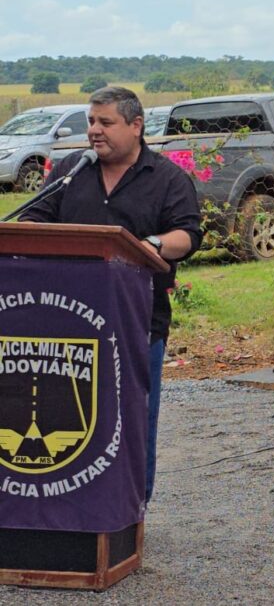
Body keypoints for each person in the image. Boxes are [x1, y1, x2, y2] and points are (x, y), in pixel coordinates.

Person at [19, 86, 202, 503]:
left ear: (136, 126)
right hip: (64, 323)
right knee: (64, 412)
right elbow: (34, 220)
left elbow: (187, 235)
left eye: (106, 123)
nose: (94, 131)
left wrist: (149, 245)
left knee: (132, 418)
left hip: (135, 322)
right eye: (90, 122)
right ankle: (68, 501)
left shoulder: (167, 178)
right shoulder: (71, 169)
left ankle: (132, 507)